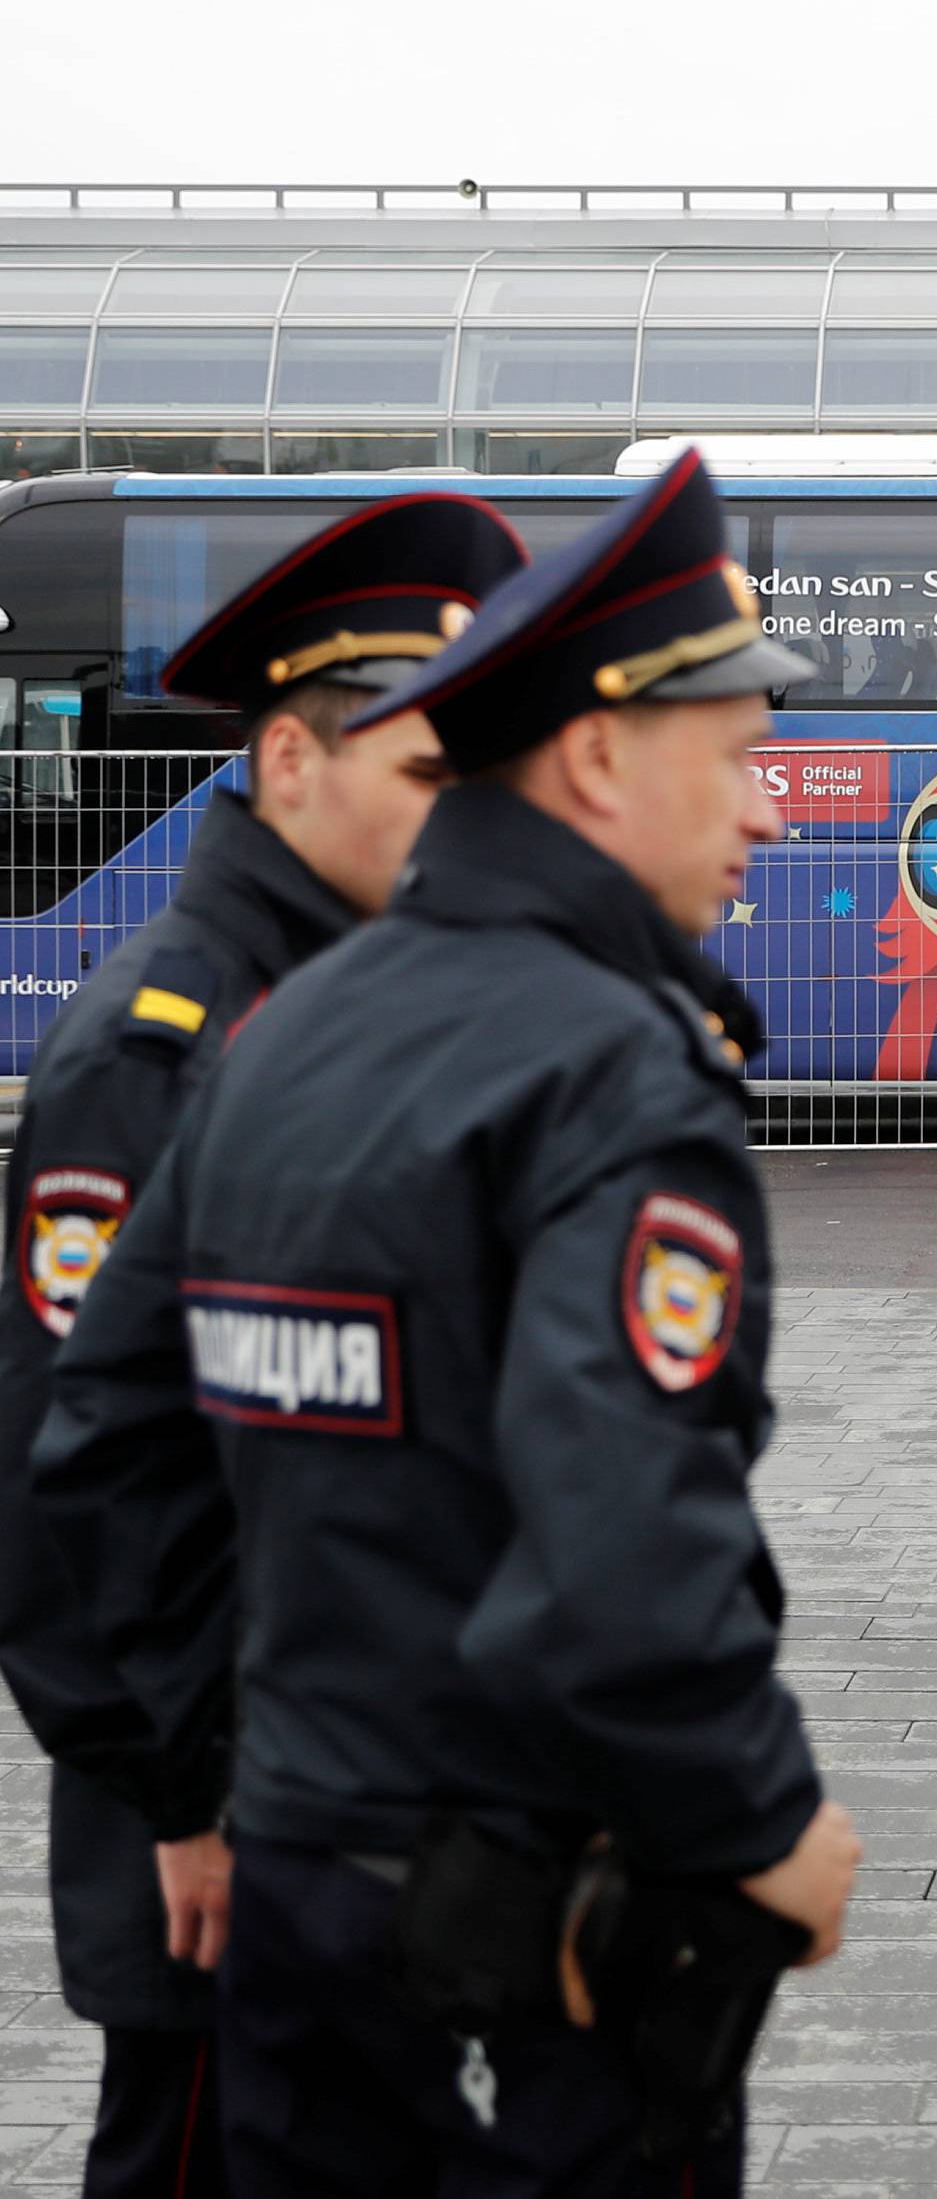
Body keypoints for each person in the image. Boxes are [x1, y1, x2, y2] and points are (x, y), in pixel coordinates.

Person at [32, 449, 860, 2199]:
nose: (771, 812)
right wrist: (760, 1819)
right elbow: (627, 1536)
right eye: (741, 756)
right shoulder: (611, 1062)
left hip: (310, 1887)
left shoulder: (290, 1038)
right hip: (545, 1916)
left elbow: (110, 1444)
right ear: (597, 753)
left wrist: (235, 1779)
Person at [0, 492, 522, 2198]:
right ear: (289, 759)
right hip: (223, 1832)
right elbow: (63, 1478)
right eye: (429, 782)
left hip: (363, 1789)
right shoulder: (164, 1039)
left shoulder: (362, 999)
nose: (465, 828)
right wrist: (189, 1796)